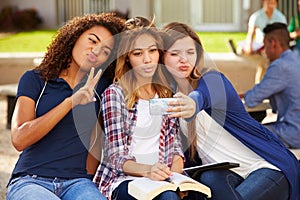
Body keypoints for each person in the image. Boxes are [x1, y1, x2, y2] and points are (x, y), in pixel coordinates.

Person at [161, 22, 300, 200]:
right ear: (163, 57)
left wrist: (192, 105)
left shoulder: (212, 79)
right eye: (174, 53)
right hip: (226, 173)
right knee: (208, 177)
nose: (184, 59)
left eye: (190, 52)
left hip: (264, 165)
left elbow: (201, 97)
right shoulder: (166, 97)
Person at [6, 13, 125, 200]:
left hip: (78, 183)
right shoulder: (36, 80)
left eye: (105, 51)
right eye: (92, 41)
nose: (95, 51)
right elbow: (19, 139)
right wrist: (71, 101)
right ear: (74, 36)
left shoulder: (102, 88)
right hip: (31, 180)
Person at [93, 17, 184, 200]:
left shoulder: (166, 94)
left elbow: (175, 148)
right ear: (127, 57)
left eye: (152, 51)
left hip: (161, 178)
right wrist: (148, 171)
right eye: (138, 53)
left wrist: (176, 179)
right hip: (123, 179)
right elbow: (116, 156)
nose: (147, 60)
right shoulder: (115, 94)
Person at [243, 22, 300, 149]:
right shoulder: (296, 59)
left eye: (265, 45)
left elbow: (251, 99)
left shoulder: (279, 66)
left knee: (243, 134)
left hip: (293, 133)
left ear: (273, 43)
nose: (264, 51)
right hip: (295, 129)